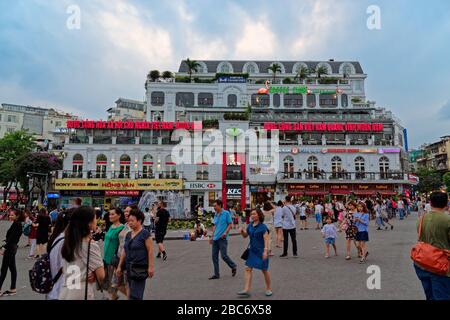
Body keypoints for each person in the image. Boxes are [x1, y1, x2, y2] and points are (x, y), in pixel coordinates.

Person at [59, 206, 105, 300]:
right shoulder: (90, 245)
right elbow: (101, 276)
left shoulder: (69, 241)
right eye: (95, 218)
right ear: (89, 223)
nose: (96, 220)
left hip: (65, 290)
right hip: (81, 292)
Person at [413, 191, 450, 300]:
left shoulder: (421, 219)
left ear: (430, 203)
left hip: (422, 263)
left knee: (430, 295)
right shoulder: (447, 220)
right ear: (446, 203)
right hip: (441, 266)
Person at [116, 207, 154, 300]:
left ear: (139, 220)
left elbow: (150, 251)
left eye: (132, 221)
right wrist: (120, 266)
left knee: (136, 295)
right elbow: (125, 250)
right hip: (129, 267)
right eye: (129, 221)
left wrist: (150, 267)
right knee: (131, 292)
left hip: (140, 268)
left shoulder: (145, 234)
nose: (130, 223)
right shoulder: (129, 234)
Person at [238, 208, 272, 298]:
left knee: (264, 270)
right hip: (252, 251)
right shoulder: (250, 225)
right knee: (247, 268)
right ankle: (246, 290)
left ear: (259, 215)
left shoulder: (263, 227)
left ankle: (268, 288)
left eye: (254, 214)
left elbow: (266, 240)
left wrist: (265, 251)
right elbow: (245, 236)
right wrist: (242, 231)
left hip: (261, 251)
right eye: (251, 214)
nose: (252, 216)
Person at [46, 208, 74, 300]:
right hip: (62, 293)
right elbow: (71, 272)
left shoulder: (57, 237)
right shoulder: (67, 242)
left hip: (54, 291)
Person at [209, 199, 237, 280]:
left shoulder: (226, 213)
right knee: (214, 256)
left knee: (223, 256)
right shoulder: (216, 214)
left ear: (220, 205)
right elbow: (214, 225)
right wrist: (211, 236)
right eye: (213, 206)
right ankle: (216, 274)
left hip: (223, 238)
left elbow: (230, 224)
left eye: (215, 206)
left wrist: (225, 232)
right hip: (215, 238)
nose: (214, 207)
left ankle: (233, 266)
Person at [0, 209, 25, 297]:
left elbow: (13, 239)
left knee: (3, 270)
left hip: (10, 249)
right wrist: (6, 241)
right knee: (12, 269)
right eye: (10, 215)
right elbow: (12, 237)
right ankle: (13, 289)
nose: (10, 216)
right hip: (12, 248)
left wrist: (4, 247)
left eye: (12, 215)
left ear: (17, 216)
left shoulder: (17, 224)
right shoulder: (16, 223)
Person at [103, 208, 125, 300]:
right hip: (106, 259)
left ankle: (132, 296)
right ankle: (113, 296)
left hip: (114, 260)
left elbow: (122, 247)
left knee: (114, 283)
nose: (110, 216)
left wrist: (119, 264)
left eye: (112, 214)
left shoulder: (122, 228)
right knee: (107, 282)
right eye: (109, 214)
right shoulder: (111, 226)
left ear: (119, 215)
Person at [112, 205, 132, 299]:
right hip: (119, 259)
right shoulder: (125, 226)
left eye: (128, 211)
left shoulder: (133, 228)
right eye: (125, 211)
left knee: (127, 285)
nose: (126, 213)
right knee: (116, 284)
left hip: (127, 261)